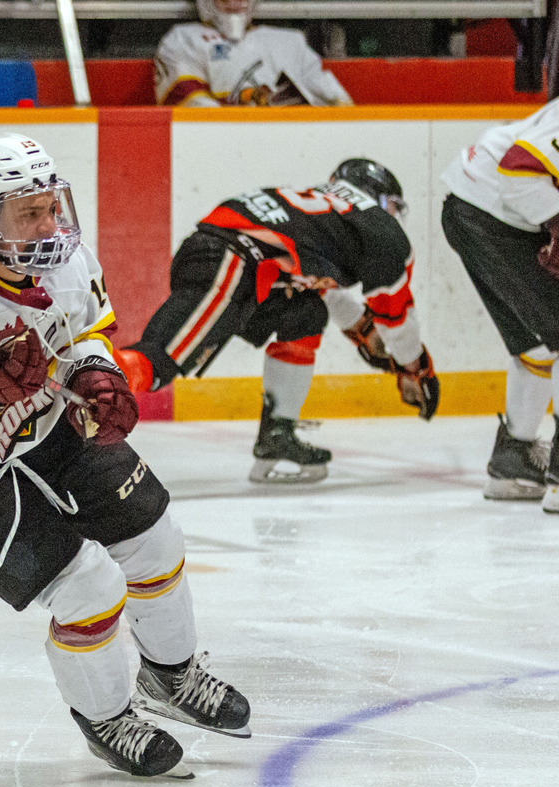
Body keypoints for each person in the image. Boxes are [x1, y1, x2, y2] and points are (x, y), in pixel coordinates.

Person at [0, 134, 251, 778]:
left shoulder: (66, 261)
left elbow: (86, 334)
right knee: (88, 585)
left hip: (42, 431)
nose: (50, 225)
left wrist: (99, 378)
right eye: (29, 214)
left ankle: (171, 675)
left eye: (52, 206)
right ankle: (107, 717)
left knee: (155, 539)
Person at [113, 160, 439, 483]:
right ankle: (80, 397)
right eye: (393, 206)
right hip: (234, 259)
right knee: (155, 363)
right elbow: (396, 318)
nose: (395, 215)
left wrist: (358, 327)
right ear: (378, 198)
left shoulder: (327, 212)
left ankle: (277, 435)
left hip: (235, 261)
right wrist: (416, 367)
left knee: (306, 314)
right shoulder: (381, 230)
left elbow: (323, 292)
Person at [440, 101, 559, 511]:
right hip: (496, 211)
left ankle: (514, 463)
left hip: (474, 209)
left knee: (538, 344)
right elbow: (520, 169)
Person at [155, 0, 351, 107]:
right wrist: (249, 112)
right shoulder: (182, 40)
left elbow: (337, 101)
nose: (234, 4)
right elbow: (190, 106)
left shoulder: (290, 42)